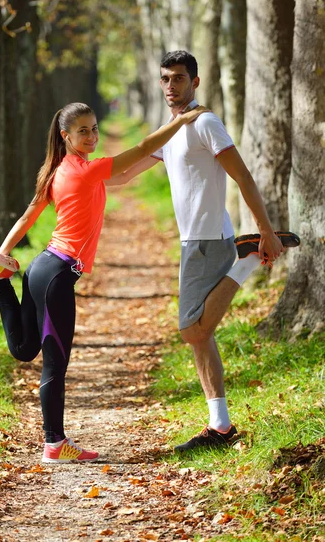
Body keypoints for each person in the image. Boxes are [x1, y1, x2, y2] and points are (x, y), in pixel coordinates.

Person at [0, 101, 207, 464]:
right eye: (84, 131)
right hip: (57, 276)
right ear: (66, 135)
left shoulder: (58, 170)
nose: (93, 136)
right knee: (54, 363)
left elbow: (34, 213)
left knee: (23, 350)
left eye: (95, 128)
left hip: (39, 269)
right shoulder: (85, 170)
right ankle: (55, 443)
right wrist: (182, 120)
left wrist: (3, 252)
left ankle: (2, 279)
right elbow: (137, 150)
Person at [109, 50, 300, 452]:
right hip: (193, 240)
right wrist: (76, 172)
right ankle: (221, 427)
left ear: (195, 82)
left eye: (178, 78)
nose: (170, 86)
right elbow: (125, 175)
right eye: (165, 79)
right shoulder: (173, 129)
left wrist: (265, 232)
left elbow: (243, 176)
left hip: (209, 239)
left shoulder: (205, 123)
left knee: (191, 329)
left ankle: (246, 261)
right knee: (201, 336)